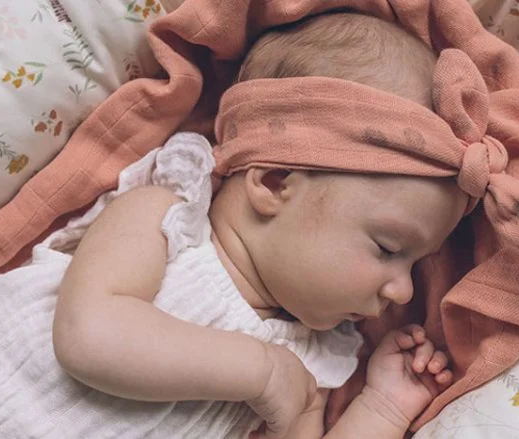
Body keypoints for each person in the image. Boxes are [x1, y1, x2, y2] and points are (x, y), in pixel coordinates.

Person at [53, 12, 466, 438]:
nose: (403, 292)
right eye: (388, 248)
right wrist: (262, 370)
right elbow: (86, 336)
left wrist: (384, 409)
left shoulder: (310, 366)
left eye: (414, 264)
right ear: (274, 183)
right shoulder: (166, 220)